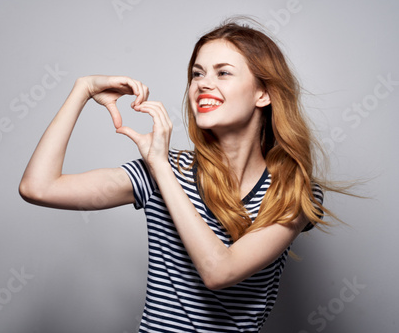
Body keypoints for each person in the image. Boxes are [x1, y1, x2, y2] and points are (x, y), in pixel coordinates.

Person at [19, 19, 331, 332]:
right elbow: (38, 187)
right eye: (197, 73)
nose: (203, 84)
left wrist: (160, 168)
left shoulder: (293, 191)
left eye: (223, 72)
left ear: (263, 94)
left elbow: (218, 272)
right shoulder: (167, 169)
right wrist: (82, 89)